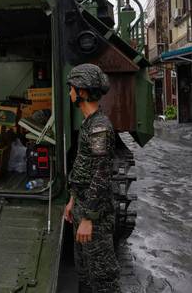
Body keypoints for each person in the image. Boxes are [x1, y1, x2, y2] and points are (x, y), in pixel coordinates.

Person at [64, 63, 121, 293]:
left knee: (103, 278)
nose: (69, 93)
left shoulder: (99, 127)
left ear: (83, 92)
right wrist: (72, 200)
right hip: (82, 207)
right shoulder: (88, 123)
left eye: (72, 88)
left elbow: (101, 174)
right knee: (85, 274)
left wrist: (88, 218)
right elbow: (83, 168)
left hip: (94, 216)